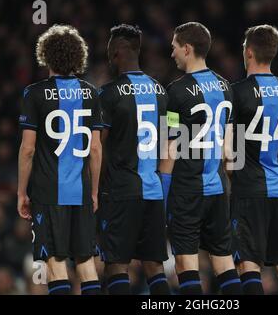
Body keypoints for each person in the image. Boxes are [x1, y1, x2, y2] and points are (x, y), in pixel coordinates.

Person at [17, 25, 103, 295]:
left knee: (55, 263)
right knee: (86, 264)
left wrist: (21, 191)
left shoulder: (34, 93)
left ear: (45, 55)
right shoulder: (91, 93)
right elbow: (96, 149)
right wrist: (94, 191)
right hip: (80, 191)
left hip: (48, 190)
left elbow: (28, 150)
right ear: (78, 56)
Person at [159, 22, 242, 295]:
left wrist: (164, 193)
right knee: (223, 261)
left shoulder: (175, 92)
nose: (172, 54)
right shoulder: (226, 87)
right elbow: (232, 148)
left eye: (174, 48)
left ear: (186, 48)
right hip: (218, 188)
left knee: (186, 263)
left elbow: (170, 148)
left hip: (187, 188)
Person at [230, 25, 278, 295]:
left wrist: (235, 174)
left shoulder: (237, 92)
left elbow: (230, 150)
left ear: (249, 52)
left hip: (249, 188)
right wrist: (277, 168)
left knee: (248, 264)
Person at [98, 24, 170, 295]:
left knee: (116, 265)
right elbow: (170, 145)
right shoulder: (163, 92)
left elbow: (98, 148)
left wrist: (95, 190)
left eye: (109, 49)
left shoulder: (107, 94)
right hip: (153, 192)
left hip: (121, 192)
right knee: (154, 266)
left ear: (117, 51)